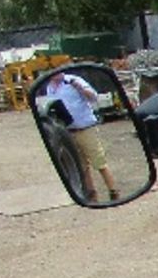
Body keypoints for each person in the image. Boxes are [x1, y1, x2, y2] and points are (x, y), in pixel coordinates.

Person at [39, 72, 121, 201]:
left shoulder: (74, 81)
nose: (54, 74)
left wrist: (79, 88)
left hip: (85, 128)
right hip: (68, 131)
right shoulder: (49, 87)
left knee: (99, 161)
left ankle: (113, 190)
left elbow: (93, 97)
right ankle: (92, 195)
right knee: (82, 166)